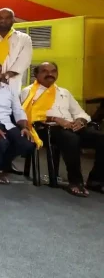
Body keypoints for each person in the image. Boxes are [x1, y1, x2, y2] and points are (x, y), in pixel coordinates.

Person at [20, 62, 104, 197]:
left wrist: (80, 121)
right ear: (36, 75)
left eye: (53, 71)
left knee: (101, 139)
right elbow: (29, 115)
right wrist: (55, 119)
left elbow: (81, 113)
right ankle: (75, 181)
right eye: (45, 71)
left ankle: (96, 180)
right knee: (70, 138)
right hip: (46, 128)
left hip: (71, 126)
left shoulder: (64, 92)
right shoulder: (28, 91)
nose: (50, 74)